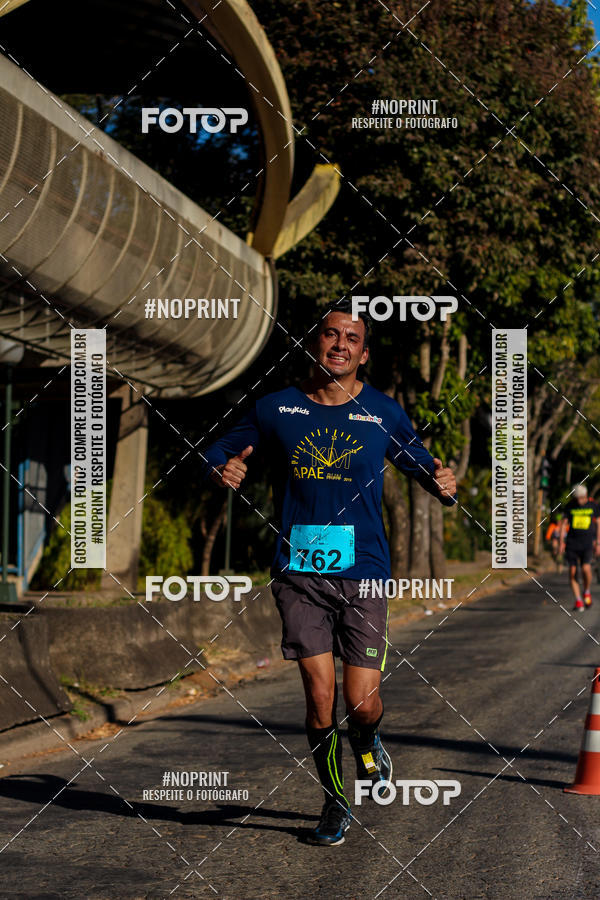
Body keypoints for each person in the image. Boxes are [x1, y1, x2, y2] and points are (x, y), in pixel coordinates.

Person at [202, 299, 457, 846]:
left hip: (363, 569)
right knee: (320, 697)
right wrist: (226, 464)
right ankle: (335, 802)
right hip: (299, 569)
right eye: (330, 334)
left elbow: (422, 463)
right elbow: (220, 446)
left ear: (363, 354)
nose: (340, 344)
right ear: (314, 343)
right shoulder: (277, 408)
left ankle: (368, 739)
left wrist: (443, 482)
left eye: (352, 338)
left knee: (360, 699)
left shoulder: (384, 413)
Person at [559, 484, 600, 611]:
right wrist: (561, 542)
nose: (578, 501)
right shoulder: (570, 506)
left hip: (587, 543)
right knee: (572, 571)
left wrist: (598, 542)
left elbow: (598, 523)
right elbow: (563, 524)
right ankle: (578, 600)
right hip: (572, 543)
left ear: (585, 496)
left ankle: (586, 591)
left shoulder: (593, 506)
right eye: (576, 499)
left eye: (581, 498)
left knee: (585, 568)